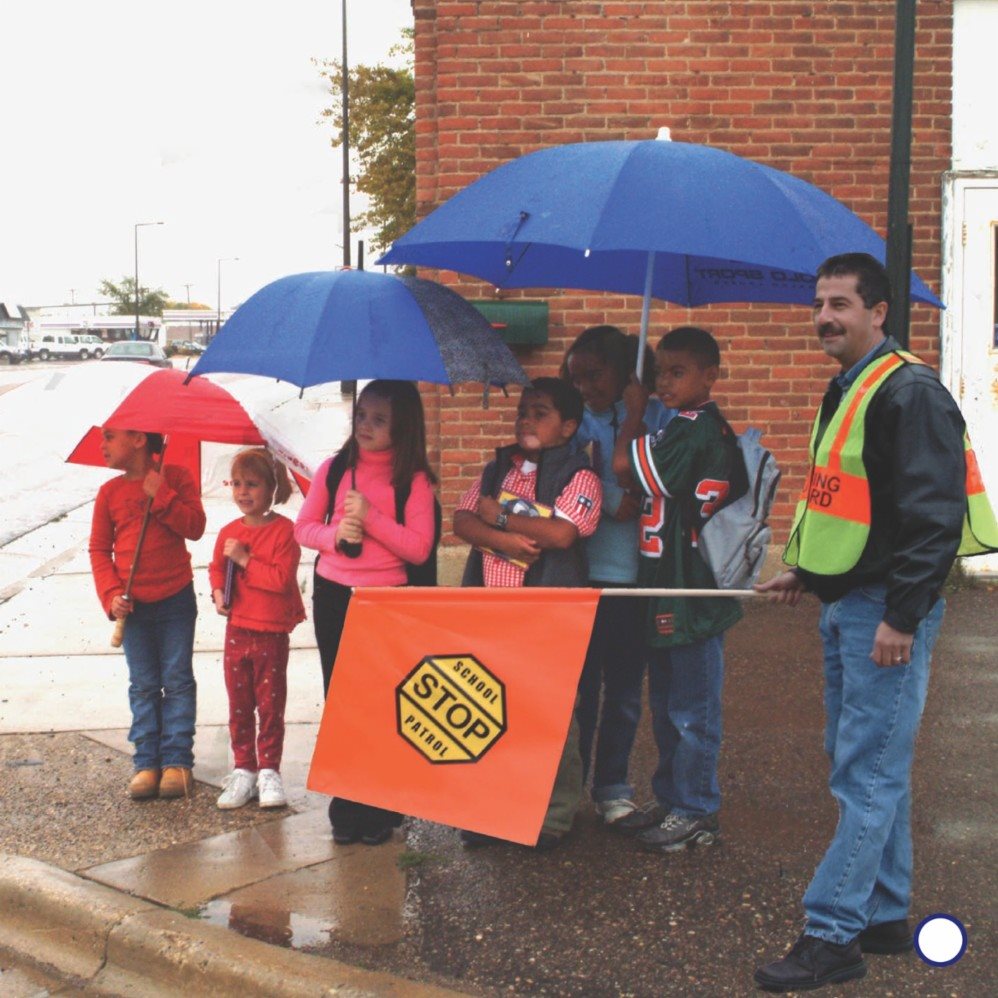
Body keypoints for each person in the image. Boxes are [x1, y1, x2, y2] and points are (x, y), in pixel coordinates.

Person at [753, 253, 981, 992]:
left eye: (841, 304)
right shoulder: (849, 386)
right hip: (849, 605)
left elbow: (932, 518)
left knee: (867, 773)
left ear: (879, 313)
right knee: (871, 768)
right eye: (819, 303)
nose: (825, 317)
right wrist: (809, 572)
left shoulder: (908, 393)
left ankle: (831, 934)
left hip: (884, 615)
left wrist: (902, 618)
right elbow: (843, 503)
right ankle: (882, 914)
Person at [611, 326, 746, 851]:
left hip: (691, 590)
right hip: (666, 586)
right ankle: (672, 798)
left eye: (677, 372)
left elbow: (625, 465)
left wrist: (632, 415)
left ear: (709, 376)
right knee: (668, 703)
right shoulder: (680, 426)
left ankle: (696, 808)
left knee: (693, 708)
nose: (665, 381)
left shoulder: (692, 427)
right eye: (660, 371)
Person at [454, 377, 602, 850]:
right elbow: (462, 518)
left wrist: (498, 518)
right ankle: (494, 811)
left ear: (568, 427)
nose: (526, 420)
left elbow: (561, 535)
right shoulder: (501, 467)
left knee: (550, 711)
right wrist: (502, 540)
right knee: (491, 706)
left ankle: (554, 817)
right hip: (491, 609)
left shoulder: (580, 476)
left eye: (540, 413)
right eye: (523, 411)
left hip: (546, 613)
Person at [294, 380, 436, 846]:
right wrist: (335, 535)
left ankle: (378, 807)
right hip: (335, 595)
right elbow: (303, 529)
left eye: (379, 419)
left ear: (403, 427)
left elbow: (418, 549)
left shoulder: (411, 481)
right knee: (342, 702)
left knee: (379, 705)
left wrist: (372, 517)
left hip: (386, 603)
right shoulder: (334, 471)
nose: (366, 426)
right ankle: (346, 808)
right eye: (362, 416)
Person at [561, 325, 674, 829]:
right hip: (587, 577)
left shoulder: (656, 417)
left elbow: (642, 473)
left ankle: (613, 787)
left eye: (594, 375)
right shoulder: (577, 424)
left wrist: (633, 413)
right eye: (576, 378)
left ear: (625, 372)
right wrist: (608, 499)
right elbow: (570, 479)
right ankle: (569, 789)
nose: (585, 387)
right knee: (579, 690)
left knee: (626, 692)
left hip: (637, 577)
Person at [89, 428, 206, 800]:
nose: (102, 445)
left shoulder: (176, 480)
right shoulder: (109, 493)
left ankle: (176, 760)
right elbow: (98, 550)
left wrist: (164, 497)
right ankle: (146, 762)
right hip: (133, 607)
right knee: (142, 684)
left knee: (177, 680)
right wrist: (110, 595)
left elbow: (196, 527)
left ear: (139, 439)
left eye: (110, 437)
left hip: (175, 599)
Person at [209, 448, 305, 811]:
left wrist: (245, 560)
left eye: (252, 484)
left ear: (271, 489)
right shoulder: (228, 534)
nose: (242, 492)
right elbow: (216, 569)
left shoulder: (284, 532)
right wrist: (219, 594)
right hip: (237, 631)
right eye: (236, 483)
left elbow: (280, 580)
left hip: (270, 631)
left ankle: (268, 769)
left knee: (269, 704)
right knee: (239, 704)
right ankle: (244, 768)